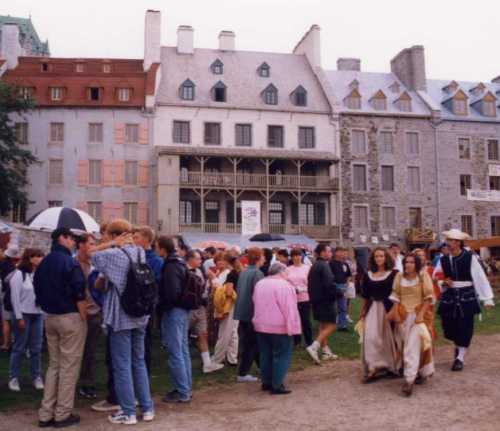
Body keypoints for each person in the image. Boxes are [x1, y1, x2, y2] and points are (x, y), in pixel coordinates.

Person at [92, 219, 154, 425]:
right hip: (140, 314)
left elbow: (91, 253)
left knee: (122, 365)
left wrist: (111, 244)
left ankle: (127, 412)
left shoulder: (111, 253)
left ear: (112, 235)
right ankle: (146, 408)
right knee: (139, 361)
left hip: (121, 315)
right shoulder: (139, 252)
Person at [35, 228, 87, 428]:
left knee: (54, 366)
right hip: (69, 317)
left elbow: (37, 290)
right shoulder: (70, 262)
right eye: (71, 238)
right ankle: (62, 414)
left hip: (50, 317)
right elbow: (79, 293)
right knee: (68, 367)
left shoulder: (43, 263)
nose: (74, 241)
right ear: (62, 238)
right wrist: (83, 318)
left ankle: (45, 413)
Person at [435, 229, 494, 371]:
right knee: (449, 328)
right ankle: (458, 345)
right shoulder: (443, 259)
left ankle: (460, 357)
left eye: (450, 241)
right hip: (449, 297)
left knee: (465, 327)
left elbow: (480, 278)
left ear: (457, 242)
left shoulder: (469, 258)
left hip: (466, 297)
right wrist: (442, 282)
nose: (448, 243)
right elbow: (436, 276)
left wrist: (487, 298)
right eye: (448, 240)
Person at [388, 254, 435, 397]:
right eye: (406, 262)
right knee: (404, 345)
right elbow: (396, 296)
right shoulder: (399, 276)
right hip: (403, 316)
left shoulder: (423, 276)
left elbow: (428, 297)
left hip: (417, 316)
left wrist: (420, 315)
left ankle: (409, 381)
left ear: (417, 264)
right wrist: (395, 313)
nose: (408, 264)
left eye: (412, 262)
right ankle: (419, 372)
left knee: (412, 347)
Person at [252, 263, 301, 395]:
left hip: (261, 324)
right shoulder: (285, 285)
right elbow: (289, 309)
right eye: (286, 271)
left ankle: (266, 382)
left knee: (265, 354)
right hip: (279, 326)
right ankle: (277, 384)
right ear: (281, 272)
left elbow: (254, 301)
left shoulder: (260, 284)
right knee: (281, 355)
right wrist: (294, 328)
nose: (288, 274)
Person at [157, 236, 192, 403]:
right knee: (182, 350)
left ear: (163, 249)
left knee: (175, 352)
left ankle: (182, 391)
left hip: (174, 311)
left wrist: (162, 304)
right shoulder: (179, 262)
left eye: (156, 247)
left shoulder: (170, 266)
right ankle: (185, 387)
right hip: (183, 310)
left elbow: (172, 293)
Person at [359, 247, 399, 383]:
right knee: (371, 338)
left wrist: (395, 310)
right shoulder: (368, 274)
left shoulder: (394, 274)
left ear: (386, 257)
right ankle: (373, 367)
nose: (379, 259)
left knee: (388, 338)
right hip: (373, 309)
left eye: (381, 256)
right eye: (376, 256)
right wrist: (363, 310)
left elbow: (398, 293)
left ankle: (390, 366)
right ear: (373, 259)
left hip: (389, 309)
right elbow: (366, 295)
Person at [8, 248, 45, 392]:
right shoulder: (19, 274)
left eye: (41, 256)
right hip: (23, 313)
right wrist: (18, 317)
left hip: (38, 313)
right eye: (37, 256)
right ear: (29, 258)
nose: (40, 258)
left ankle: (36, 376)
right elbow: (15, 297)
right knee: (19, 347)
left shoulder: (39, 274)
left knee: (36, 348)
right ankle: (13, 377)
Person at [73, 234, 101, 401]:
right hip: (79, 313)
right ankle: (75, 383)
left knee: (90, 351)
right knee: (77, 352)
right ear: (81, 245)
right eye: (90, 244)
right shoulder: (73, 264)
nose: (93, 246)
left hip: (95, 312)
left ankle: (87, 383)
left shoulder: (94, 264)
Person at [186, 249, 223, 373]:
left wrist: (213, 281)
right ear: (190, 259)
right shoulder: (183, 271)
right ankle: (183, 362)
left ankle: (207, 364)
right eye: (198, 259)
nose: (200, 261)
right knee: (182, 335)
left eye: (200, 259)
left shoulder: (201, 270)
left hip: (200, 306)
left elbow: (212, 282)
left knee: (203, 334)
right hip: (188, 308)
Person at [132, 226, 163, 376]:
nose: (133, 240)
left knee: (145, 340)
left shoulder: (155, 261)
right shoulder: (133, 256)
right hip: (132, 304)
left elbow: (154, 285)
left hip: (146, 306)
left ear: (146, 239)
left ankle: (145, 372)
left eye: (136, 237)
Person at [233, 247, 264, 383]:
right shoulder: (257, 273)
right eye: (262, 256)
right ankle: (243, 372)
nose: (264, 259)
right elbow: (260, 296)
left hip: (242, 311)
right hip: (252, 312)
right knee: (251, 343)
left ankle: (263, 367)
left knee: (253, 343)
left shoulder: (244, 272)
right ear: (258, 258)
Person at [306, 244, 338, 364]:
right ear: (323, 253)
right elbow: (329, 284)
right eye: (329, 251)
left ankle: (325, 351)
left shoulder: (315, 265)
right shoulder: (324, 265)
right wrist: (338, 293)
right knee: (332, 325)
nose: (331, 253)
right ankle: (314, 347)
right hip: (326, 300)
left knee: (323, 325)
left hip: (316, 300)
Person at [212, 254, 241, 366]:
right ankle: (232, 358)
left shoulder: (231, 274)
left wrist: (219, 289)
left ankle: (218, 358)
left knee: (224, 332)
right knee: (233, 331)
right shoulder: (238, 272)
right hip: (237, 303)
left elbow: (229, 292)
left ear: (226, 261)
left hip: (229, 304)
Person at [286, 248, 312, 347]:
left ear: (302, 256)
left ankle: (309, 341)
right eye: (295, 255)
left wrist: (302, 289)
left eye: (299, 255)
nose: (297, 257)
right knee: (294, 320)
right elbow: (286, 283)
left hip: (305, 297)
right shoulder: (288, 269)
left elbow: (310, 283)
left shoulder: (307, 268)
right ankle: (296, 341)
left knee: (306, 321)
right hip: (292, 298)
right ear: (291, 257)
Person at [0, 245, 21, 351]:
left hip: (3, 292)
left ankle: (5, 342)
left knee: (6, 320)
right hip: (7, 294)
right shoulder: (13, 268)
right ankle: (7, 343)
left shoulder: (2, 264)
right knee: (7, 320)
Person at [330, 247, 352, 332]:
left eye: (343, 252)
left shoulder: (345, 264)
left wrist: (346, 284)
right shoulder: (331, 263)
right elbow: (329, 276)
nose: (342, 253)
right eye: (340, 251)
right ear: (335, 253)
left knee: (343, 307)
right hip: (334, 286)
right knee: (333, 307)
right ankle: (332, 324)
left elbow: (348, 275)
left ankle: (342, 325)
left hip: (343, 286)